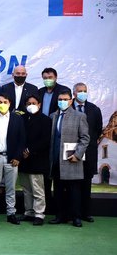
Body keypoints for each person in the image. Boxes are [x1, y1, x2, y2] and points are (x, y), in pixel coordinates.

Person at [48, 90, 90, 227]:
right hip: (56, 160)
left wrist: (77, 155)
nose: (62, 101)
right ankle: (60, 216)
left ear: (71, 100)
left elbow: (85, 138)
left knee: (74, 191)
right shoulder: (53, 116)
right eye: (60, 99)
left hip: (72, 160)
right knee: (58, 191)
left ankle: (76, 217)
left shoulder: (80, 116)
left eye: (65, 99)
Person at [0, 93, 26, 225]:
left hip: (12, 159)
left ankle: (11, 213)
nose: (2, 104)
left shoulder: (17, 119)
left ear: (9, 103)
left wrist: (17, 156)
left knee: (11, 188)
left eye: (5, 102)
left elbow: (22, 139)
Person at [37, 67, 71, 214]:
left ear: (56, 77)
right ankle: (45, 208)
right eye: (45, 77)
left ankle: (62, 211)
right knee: (44, 177)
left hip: (59, 134)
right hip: (43, 135)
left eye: (50, 76)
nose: (47, 79)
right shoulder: (39, 92)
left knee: (60, 179)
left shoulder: (63, 91)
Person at [72, 83, 103, 222]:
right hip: (71, 152)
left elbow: (97, 130)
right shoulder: (67, 107)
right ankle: (75, 215)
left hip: (89, 153)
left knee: (86, 184)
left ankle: (86, 213)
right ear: (74, 93)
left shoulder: (94, 109)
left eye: (85, 91)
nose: (82, 93)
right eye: (79, 91)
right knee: (73, 185)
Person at [19, 95, 51, 225]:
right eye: (28, 103)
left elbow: (45, 140)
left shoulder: (46, 120)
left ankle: (39, 214)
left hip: (37, 160)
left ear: (39, 104)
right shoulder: (22, 119)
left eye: (34, 103)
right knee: (26, 189)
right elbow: (19, 136)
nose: (31, 105)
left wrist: (30, 150)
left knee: (37, 189)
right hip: (23, 160)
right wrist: (22, 150)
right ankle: (29, 212)